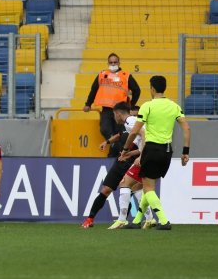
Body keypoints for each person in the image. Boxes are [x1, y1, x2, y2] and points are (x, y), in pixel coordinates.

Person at [119, 75, 191, 230]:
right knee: (148, 186)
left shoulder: (147, 106)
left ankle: (164, 221)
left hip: (152, 149)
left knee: (148, 188)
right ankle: (137, 221)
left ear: (152, 88)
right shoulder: (174, 106)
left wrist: (125, 149)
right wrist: (186, 151)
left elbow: (134, 132)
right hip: (167, 151)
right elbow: (186, 128)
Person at [81, 101, 147, 229]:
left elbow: (142, 137)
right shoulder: (125, 126)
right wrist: (107, 142)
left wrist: (139, 155)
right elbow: (120, 136)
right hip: (121, 161)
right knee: (106, 190)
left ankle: (129, 219)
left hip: (133, 161)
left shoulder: (134, 122)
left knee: (133, 189)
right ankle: (90, 219)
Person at [103, 103, 156, 229]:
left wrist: (141, 156)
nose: (114, 117)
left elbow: (144, 134)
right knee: (137, 187)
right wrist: (130, 153)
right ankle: (150, 219)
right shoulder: (132, 122)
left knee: (124, 183)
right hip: (152, 152)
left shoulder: (130, 121)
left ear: (118, 114)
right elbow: (142, 141)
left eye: (114, 115)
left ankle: (122, 219)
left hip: (146, 155)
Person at [83, 53, 141, 158]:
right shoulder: (102, 74)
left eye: (115, 62)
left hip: (120, 111)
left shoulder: (126, 75)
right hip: (106, 109)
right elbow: (93, 89)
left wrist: (131, 106)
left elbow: (137, 90)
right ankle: (116, 147)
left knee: (120, 133)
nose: (113, 64)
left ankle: (114, 154)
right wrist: (88, 104)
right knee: (104, 129)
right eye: (111, 62)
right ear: (107, 63)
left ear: (119, 63)